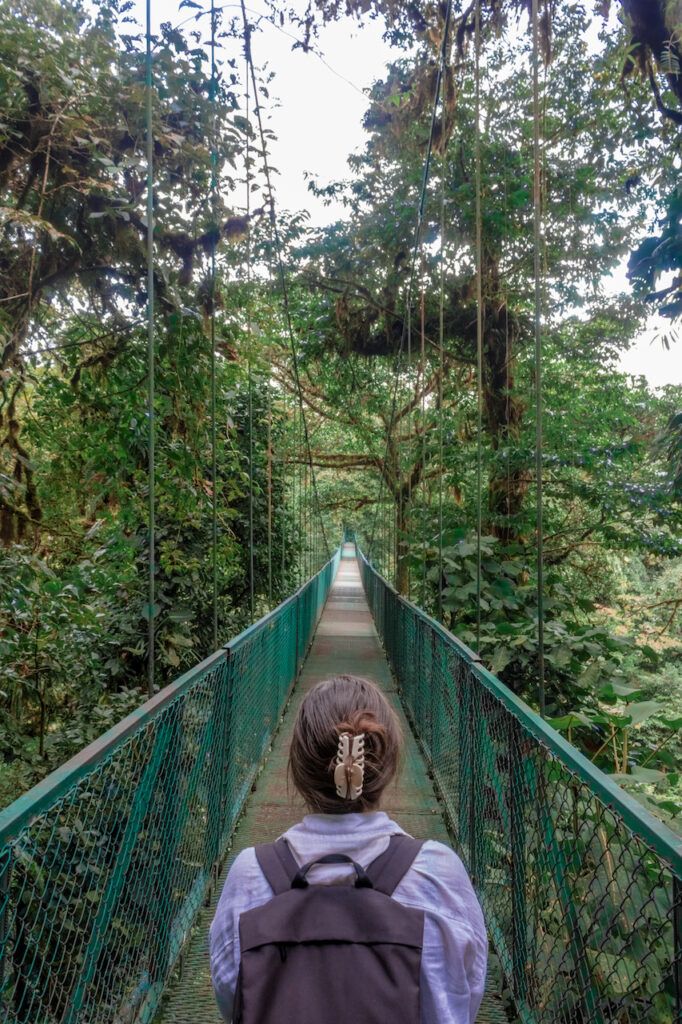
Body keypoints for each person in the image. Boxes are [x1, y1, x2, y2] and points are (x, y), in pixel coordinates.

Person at [209, 674, 488, 1023]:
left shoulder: (249, 874)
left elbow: (232, 1000)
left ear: (297, 768)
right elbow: (462, 999)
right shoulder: (437, 872)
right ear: (386, 765)